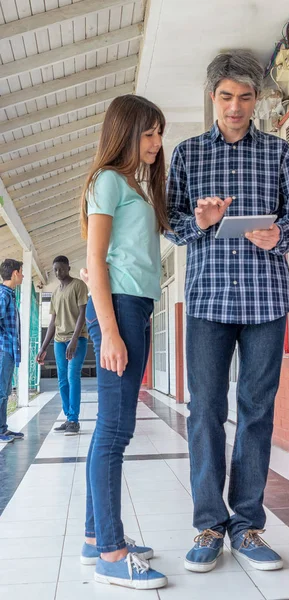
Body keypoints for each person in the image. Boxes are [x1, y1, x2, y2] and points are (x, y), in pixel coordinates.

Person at [166, 49, 289, 573]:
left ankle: (247, 525)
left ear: (256, 101)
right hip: (206, 301)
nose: (235, 106)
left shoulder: (276, 153)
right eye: (226, 96)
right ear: (213, 98)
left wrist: (279, 236)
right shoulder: (185, 154)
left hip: (266, 300)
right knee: (204, 411)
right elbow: (171, 223)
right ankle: (209, 524)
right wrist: (199, 224)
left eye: (245, 97)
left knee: (256, 412)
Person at [79, 94, 169, 589]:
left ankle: (96, 537)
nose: (156, 143)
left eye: (159, 133)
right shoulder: (108, 181)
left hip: (134, 306)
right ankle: (112, 554)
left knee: (109, 430)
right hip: (119, 308)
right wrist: (110, 331)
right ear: (125, 132)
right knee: (115, 432)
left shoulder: (133, 185)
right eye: (148, 133)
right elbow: (96, 262)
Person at [36, 256, 88, 435]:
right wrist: (43, 348)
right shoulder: (55, 292)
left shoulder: (79, 285)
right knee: (62, 380)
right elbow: (52, 322)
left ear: (68, 267)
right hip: (59, 341)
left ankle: (74, 419)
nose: (58, 272)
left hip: (77, 339)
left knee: (73, 376)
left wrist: (74, 340)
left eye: (61, 268)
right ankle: (68, 417)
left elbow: (83, 313)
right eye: (55, 270)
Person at [0, 259, 24, 443]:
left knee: (5, 392)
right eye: (21, 272)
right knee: (1, 392)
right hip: (3, 351)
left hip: (8, 351)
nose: (23, 276)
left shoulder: (9, 294)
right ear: (15, 273)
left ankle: (3, 429)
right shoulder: (3, 295)